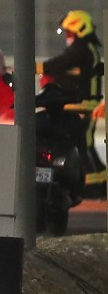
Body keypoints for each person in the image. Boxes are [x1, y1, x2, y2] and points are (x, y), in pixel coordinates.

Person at [43, 10, 105, 188]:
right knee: (86, 145)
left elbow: (58, 64)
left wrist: (35, 67)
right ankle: (98, 182)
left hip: (83, 108)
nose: (67, 36)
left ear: (81, 30)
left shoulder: (81, 50)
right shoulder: (86, 50)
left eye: (69, 32)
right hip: (84, 106)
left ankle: (91, 185)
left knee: (82, 146)